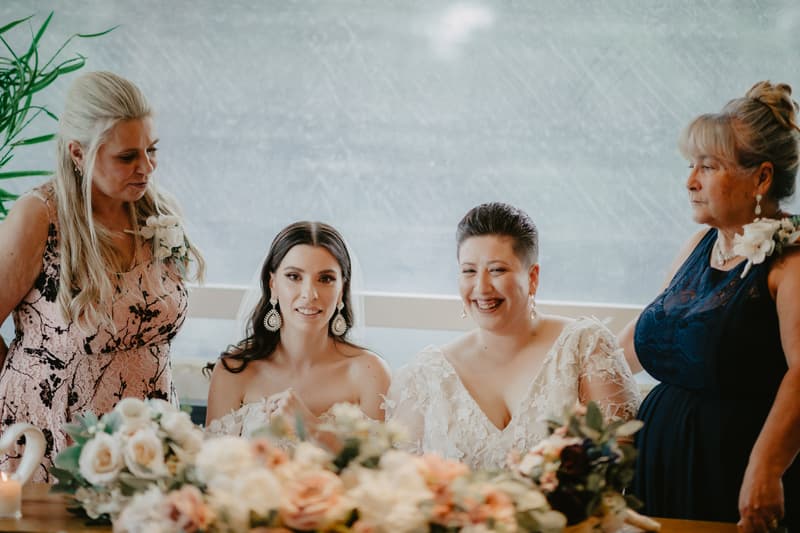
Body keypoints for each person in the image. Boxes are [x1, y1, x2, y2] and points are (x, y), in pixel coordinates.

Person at [0, 71, 204, 481]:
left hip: (146, 439)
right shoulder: (39, 217)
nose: (145, 167)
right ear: (78, 153)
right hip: (54, 440)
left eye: (152, 150)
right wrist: (24, 388)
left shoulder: (157, 213)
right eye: (127, 157)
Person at [620, 81, 800, 531]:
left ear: (761, 177)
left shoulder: (790, 261)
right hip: (659, 462)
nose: (690, 181)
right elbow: (644, 336)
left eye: (708, 167)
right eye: (690, 165)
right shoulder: (700, 244)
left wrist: (766, 469)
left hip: (733, 469)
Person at [385, 202, 640, 470]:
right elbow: (403, 483)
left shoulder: (585, 346)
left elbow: (614, 467)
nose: (481, 288)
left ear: (532, 278)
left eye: (497, 270)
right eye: (469, 271)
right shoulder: (427, 375)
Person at [205, 221, 390, 440]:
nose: (309, 294)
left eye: (326, 279)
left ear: (342, 290)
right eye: (294, 276)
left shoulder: (369, 372)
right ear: (272, 284)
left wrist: (311, 428)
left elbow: (378, 470)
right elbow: (212, 469)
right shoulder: (233, 371)